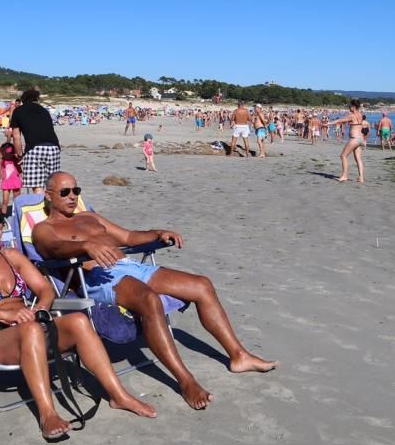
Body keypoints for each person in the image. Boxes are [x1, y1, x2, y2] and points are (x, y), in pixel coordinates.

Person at [32, 172, 277, 410]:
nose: (72, 196)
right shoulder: (44, 228)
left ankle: (239, 356)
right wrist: (84, 245)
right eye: (65, 192)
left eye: (76, 190)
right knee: (149, 300)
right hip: (97, 278)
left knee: (202, 284)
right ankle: (186, 381)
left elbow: (128, 236)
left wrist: (158, 233)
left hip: (129, 266)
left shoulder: (88, 216)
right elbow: (54, 248)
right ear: (49, 195)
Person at [0, 195, 156, 440]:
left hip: (28, 326)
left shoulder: (11, 256)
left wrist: (40, 309)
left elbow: (44, 289)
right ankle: (47, 414)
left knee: (78, 321)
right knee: (31, 330)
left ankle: (119, 396)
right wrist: (5, 313)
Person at [10, 89, 61, 194]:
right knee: (52, 184)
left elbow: (16, 136)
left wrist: (19, 154)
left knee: (37, 185)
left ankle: (40, 207)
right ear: (37, 99)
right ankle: (51, 208)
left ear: (23, 99)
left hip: (34, 149)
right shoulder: (44, 110)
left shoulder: (18, 111)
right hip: (53, 147)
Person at [327, 99, 368, 183]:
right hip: (360, 139)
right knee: (358, 159)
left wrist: (328, 124)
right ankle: (361, 177)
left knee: (343, 156)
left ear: (353, 107)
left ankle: (345, 175)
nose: (349, 107)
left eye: (350, 106)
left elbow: (339, 121)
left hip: (355, 139)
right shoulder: (360, 115)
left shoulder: (352, 116)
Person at [0, 142, 22, 214]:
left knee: (17, 199)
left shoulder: (15, 159)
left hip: (16, 181)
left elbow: (19, 170)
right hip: (6, 182)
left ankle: (17, 213)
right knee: (5, 200)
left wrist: (22, 178)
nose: (7, 156)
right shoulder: (1, 161)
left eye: (9, 154)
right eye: (5, 154)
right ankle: (3, 215)